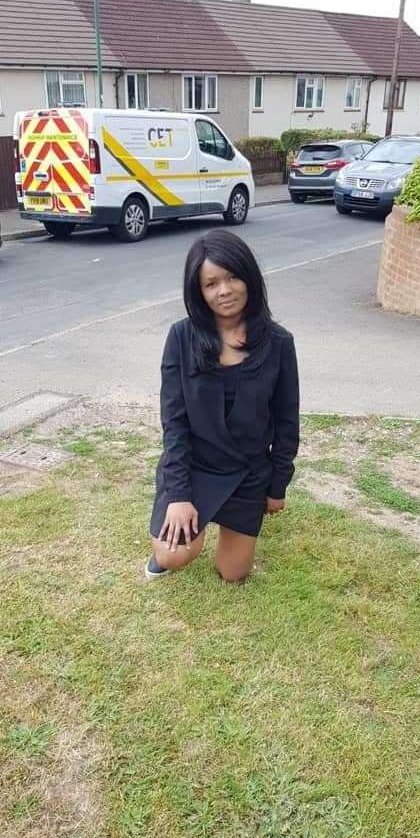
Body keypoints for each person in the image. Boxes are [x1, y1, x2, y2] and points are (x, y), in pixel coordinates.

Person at [146, 228, 300, 583]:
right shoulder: (181, 338)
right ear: (198, 292)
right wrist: (179, 495)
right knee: (173, 554)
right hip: (196, 465)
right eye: (211, 283)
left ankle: (223, 530)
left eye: (232, 277)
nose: (224, 290)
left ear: (249, 277)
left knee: (233, 574)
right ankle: (170, 542)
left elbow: (286, 420)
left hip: (247, 472)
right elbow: (175, 422)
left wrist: (278, 486)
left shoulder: (278, 342)